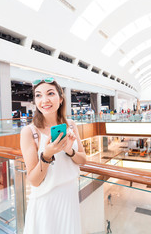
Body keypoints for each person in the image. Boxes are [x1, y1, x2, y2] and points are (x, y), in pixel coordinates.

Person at [20, 77, 87, 234]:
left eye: (50, 93)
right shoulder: (30, 132)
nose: (44, 100)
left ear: (61, 98)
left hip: (69, 197)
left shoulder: (70, 125)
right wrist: (47, 155)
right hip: (45, 201)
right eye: (38, 95)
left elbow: (83, 159)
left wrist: (69, 151)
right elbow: (34, 181)